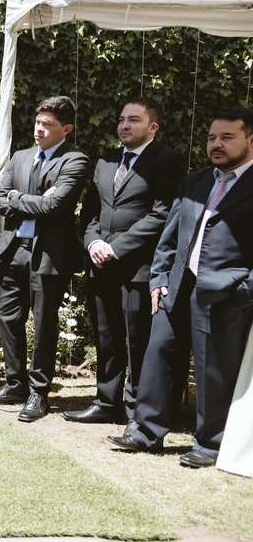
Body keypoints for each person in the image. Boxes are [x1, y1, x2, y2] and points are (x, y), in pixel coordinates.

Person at [108, 106, 253, 468]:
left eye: (226, 137)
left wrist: (244, 291)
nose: (215, 144)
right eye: (211, 138)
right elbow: (169, 236)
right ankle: (146, 431)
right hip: (177, 287)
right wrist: (158, 278)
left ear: (251, 140)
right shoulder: (196, 181)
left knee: (213, 369)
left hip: (226, 292)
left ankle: (211, 442)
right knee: (158, 356)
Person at [71, 98, 185, 426]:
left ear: (153, 127)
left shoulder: (169, 161)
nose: (124, 125)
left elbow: (162, 214)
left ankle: (138, 412)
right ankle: (106, 403)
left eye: (133, 120)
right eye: (122, 119)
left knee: (140, 343)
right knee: (107, 339)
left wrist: (116, 247)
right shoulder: (106, 161)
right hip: (101, 265)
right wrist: (93, 242)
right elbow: (91, 209)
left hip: (139, 268)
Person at [0, 96, 89, 422]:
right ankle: (14, 384)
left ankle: (38, 394)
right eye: (38, 122)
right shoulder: (21, 156)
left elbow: (54, 208)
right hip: (13, 249)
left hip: (50, 254)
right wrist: (23, 198)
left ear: (66, 129)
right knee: (8, 318)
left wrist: (17, 198)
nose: (39, 129)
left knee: (44, 325)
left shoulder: (76, 161)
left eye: (48, 125)